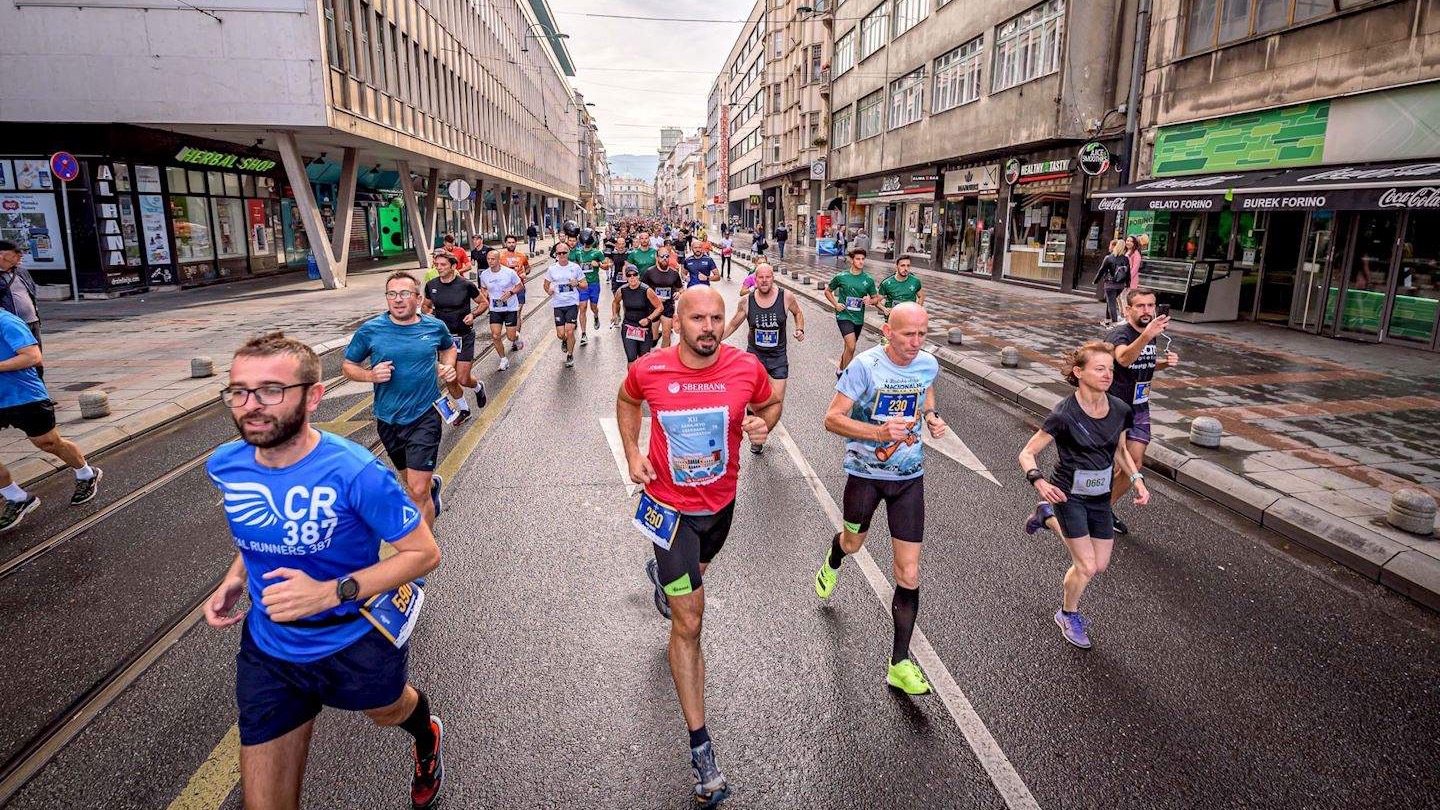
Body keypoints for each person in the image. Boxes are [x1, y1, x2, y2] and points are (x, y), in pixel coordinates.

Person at [204, 333, 445, 810]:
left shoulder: (355, 472)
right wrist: (236, 576)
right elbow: (254, 528)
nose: (251, 405)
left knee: (388, 711)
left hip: (355, 641)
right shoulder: (225, 465)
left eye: (272, 390)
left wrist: (332, 592)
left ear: (313, 396)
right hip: (270, 651)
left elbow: (423, 553)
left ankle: (427, 733)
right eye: (240, 391)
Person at [617, 287, 780, 808]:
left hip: (721, 508)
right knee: (689, 619)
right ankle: (701, 749)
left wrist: (763, 422)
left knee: (697, 575)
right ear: (679, 322)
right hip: (669, 512)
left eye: (716, 318)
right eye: (698, 319)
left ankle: (669, 578)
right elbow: (626, 400)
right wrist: (631, 451)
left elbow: (772, 399)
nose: (709, 327)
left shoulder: (745, 367)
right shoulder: (651, 369)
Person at [813, 303, 947, 695]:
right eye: (908, 335)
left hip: (909, 479)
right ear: (887, 331)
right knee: (853, 542)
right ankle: (834, 558)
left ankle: (899, 663)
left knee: (908, 572)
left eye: (923, 335)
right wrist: (878, 434)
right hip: (866, 476)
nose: (916, 343)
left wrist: (932, 415)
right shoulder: (864, 367)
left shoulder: (926, 364)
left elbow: (925, 392)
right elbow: (832, 418)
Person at [1018, 340, 1150, 649]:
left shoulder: (1120, 409)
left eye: (1111, 370)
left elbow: (1119, 449)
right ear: (1079, 372)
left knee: (1100, 565)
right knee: (1086, 566)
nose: (1108, 375)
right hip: (1068, 495)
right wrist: (1038, 481)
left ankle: (1046, 517)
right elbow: (1027, 453)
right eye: (1100, 369)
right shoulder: (1064, 414)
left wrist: (1137, 479)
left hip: (1100, 496)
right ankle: (1067, 613)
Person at [342, 273, 456, 528]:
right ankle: (431, 487)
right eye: (391, 294)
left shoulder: (434, 327)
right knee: (410, 482)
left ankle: (424, 554)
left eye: (404, 294)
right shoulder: (371, 330)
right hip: (387, 418)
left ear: (418, 298)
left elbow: (448, 348)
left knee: (416, 491)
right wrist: (370, 375)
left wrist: (448, 366)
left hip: (425, 416)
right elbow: (348, 366)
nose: (397, 300)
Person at [0, 308, 101, 531]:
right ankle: (17, 497)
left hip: (24, 396)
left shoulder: (6, 321)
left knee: (48, 443)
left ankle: (86, 473)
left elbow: (33, 356)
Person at [1104, 287, 1178, 536]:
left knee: (1134, 464)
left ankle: (1103, 510)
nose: (1147, 310)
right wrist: (1147, 335)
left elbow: (1142, 361)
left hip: (1140, 406)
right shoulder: (1120, 334)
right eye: (1141, 306)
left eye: (1151, 305)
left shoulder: (1150, 334)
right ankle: (1095, 509)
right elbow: (1124, 358)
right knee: (1123, 463)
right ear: (1128, 310)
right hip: (1117, 406)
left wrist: (1164, 363)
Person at [722, 263, 804, 455]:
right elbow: (734, 323)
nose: (765, 281)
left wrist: (799, 328)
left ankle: (761, 430)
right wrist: (715, 340)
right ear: (755, 279)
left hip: (778, 357)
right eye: (761, 278)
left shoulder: (786, 297)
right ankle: (755, 436)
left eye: (768, 277)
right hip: (755, 357)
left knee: (776, 401)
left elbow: (798, 312)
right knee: (753, 400)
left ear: (773, 278)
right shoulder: (747, 301)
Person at [422, 253, 487, 424]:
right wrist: (429, 314)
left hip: (463, 336)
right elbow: (425, 306)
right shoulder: (431, 285)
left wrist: (473, 315)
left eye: (443, 264)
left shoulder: (466, 285)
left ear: (453, 266)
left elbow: (484, 303)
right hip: (444, 340)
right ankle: (464, 410)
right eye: (437, 264)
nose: (439, 267)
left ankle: (478, 387)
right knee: (449, 377)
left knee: (463, 379)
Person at [825, 248, 880, 376]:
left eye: (862, 259)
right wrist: (835, 304)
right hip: (843, 315)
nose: (861, 262)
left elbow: (876, 298)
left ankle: (840, 369)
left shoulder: (868, 279)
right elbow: (827, 291)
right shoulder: (841, 276)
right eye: (858, 259)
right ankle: (846, 375)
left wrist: (870, 300)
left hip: (858, 318)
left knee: (848, 348)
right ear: (851, 260)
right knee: (851, 346)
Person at [477, 247, 526, 371]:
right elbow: (483, 289)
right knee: (495, 335)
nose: (490, 261)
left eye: (493, 259)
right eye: (488, 259)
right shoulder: (484, 274)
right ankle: (503, 359)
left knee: (510, 337)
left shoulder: (509, 273)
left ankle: (517, 337)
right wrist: (485, 295)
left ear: (499, 260)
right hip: (495, 309)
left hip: (510, 308)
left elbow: (519, 286)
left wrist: (510, 293)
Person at [0, 240, 42, 378]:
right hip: (11, 326)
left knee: (37, 359)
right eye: (15, 254)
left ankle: (41, 392)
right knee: (21, 358)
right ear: (2, 255)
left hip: (32, 321)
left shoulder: (22, 272)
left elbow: (31, 291)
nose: (19, 257)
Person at [612, 263, 664, 366]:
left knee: (643, 360)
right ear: (626, 277)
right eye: (629, 275)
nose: (632, 278)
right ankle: (632, 382)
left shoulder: (646, 290)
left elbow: (660, 307)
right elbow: (615, 302)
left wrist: (648, 319)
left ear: (638, 275)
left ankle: (642, 381)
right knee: (631, 358)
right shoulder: (622, 290)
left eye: (634, 274)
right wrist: (615, 315)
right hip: (628, 326)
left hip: (644, 327)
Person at [543, 250, 586, 368]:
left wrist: (576, 283)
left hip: (572, 303)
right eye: (559, 253)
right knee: (561, 334)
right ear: (556, 254)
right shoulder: (552, 269)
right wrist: (549, 291)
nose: (562, 255)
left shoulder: (575, 267)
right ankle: (565, 340)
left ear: (568, 254)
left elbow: (584, 285)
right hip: (558, 304)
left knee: (570, 330)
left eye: (564, 252)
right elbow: (546, 285)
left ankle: (570, 355)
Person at [491, 235, 531, 348]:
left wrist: (525, 273)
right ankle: (512, 333)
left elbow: (528, 267)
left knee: (517, 313)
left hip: (519, 288)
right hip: (504, 291)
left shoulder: (522, 256)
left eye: (513, 242)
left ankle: (515, 339)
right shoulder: (501, 257)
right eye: (509, 242)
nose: (511, 244)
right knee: (505, 313)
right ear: (505, 243)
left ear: (516, 243)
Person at [642, 247, 685, 350]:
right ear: (657, 257)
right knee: (653, 338)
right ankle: (656, 338)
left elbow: (681, 288)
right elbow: (641, 290)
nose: (664, 258)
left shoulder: (674, 273)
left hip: (668, 307)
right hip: (653, 308)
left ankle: (664, 357)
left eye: (667, 256)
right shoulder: (649, 272)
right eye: (662, 256)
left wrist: (679, 294)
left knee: (667, 335)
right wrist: (654, 298)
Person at [572, 235, 607, 341]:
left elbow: (607, 265)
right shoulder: (578, 253)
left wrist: (599, 265)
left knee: (593, 307)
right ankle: (583, 334)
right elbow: (572, 265)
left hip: (594, 284)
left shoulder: (597, 253)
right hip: (582, 285)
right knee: (582, 308)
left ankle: (596, 315)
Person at [1093, 239, 1130, 327]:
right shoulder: (1126, 259)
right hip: (1120, 285)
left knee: (1111, 303)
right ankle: (1107, 320)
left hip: (1110, 284)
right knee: (1110, 301)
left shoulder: (1108, 258)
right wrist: (1128, 283)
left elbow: (1101, 271)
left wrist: (1095, 281)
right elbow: (1128, 272)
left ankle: (1114, 323)